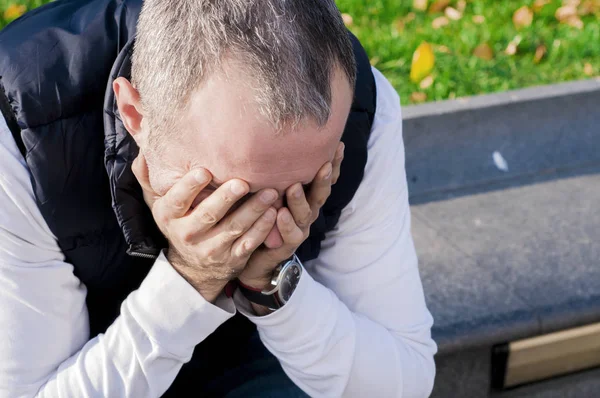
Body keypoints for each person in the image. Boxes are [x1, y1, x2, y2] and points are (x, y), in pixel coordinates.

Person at [0, 0, 437, 397]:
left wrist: (272, 285)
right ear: (134, 115)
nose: (259, 227)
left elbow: (401, 382)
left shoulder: (362, 108)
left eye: (304, 189)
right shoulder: (22, 130)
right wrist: (190, 278)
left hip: (255, 353)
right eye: (226, 196)